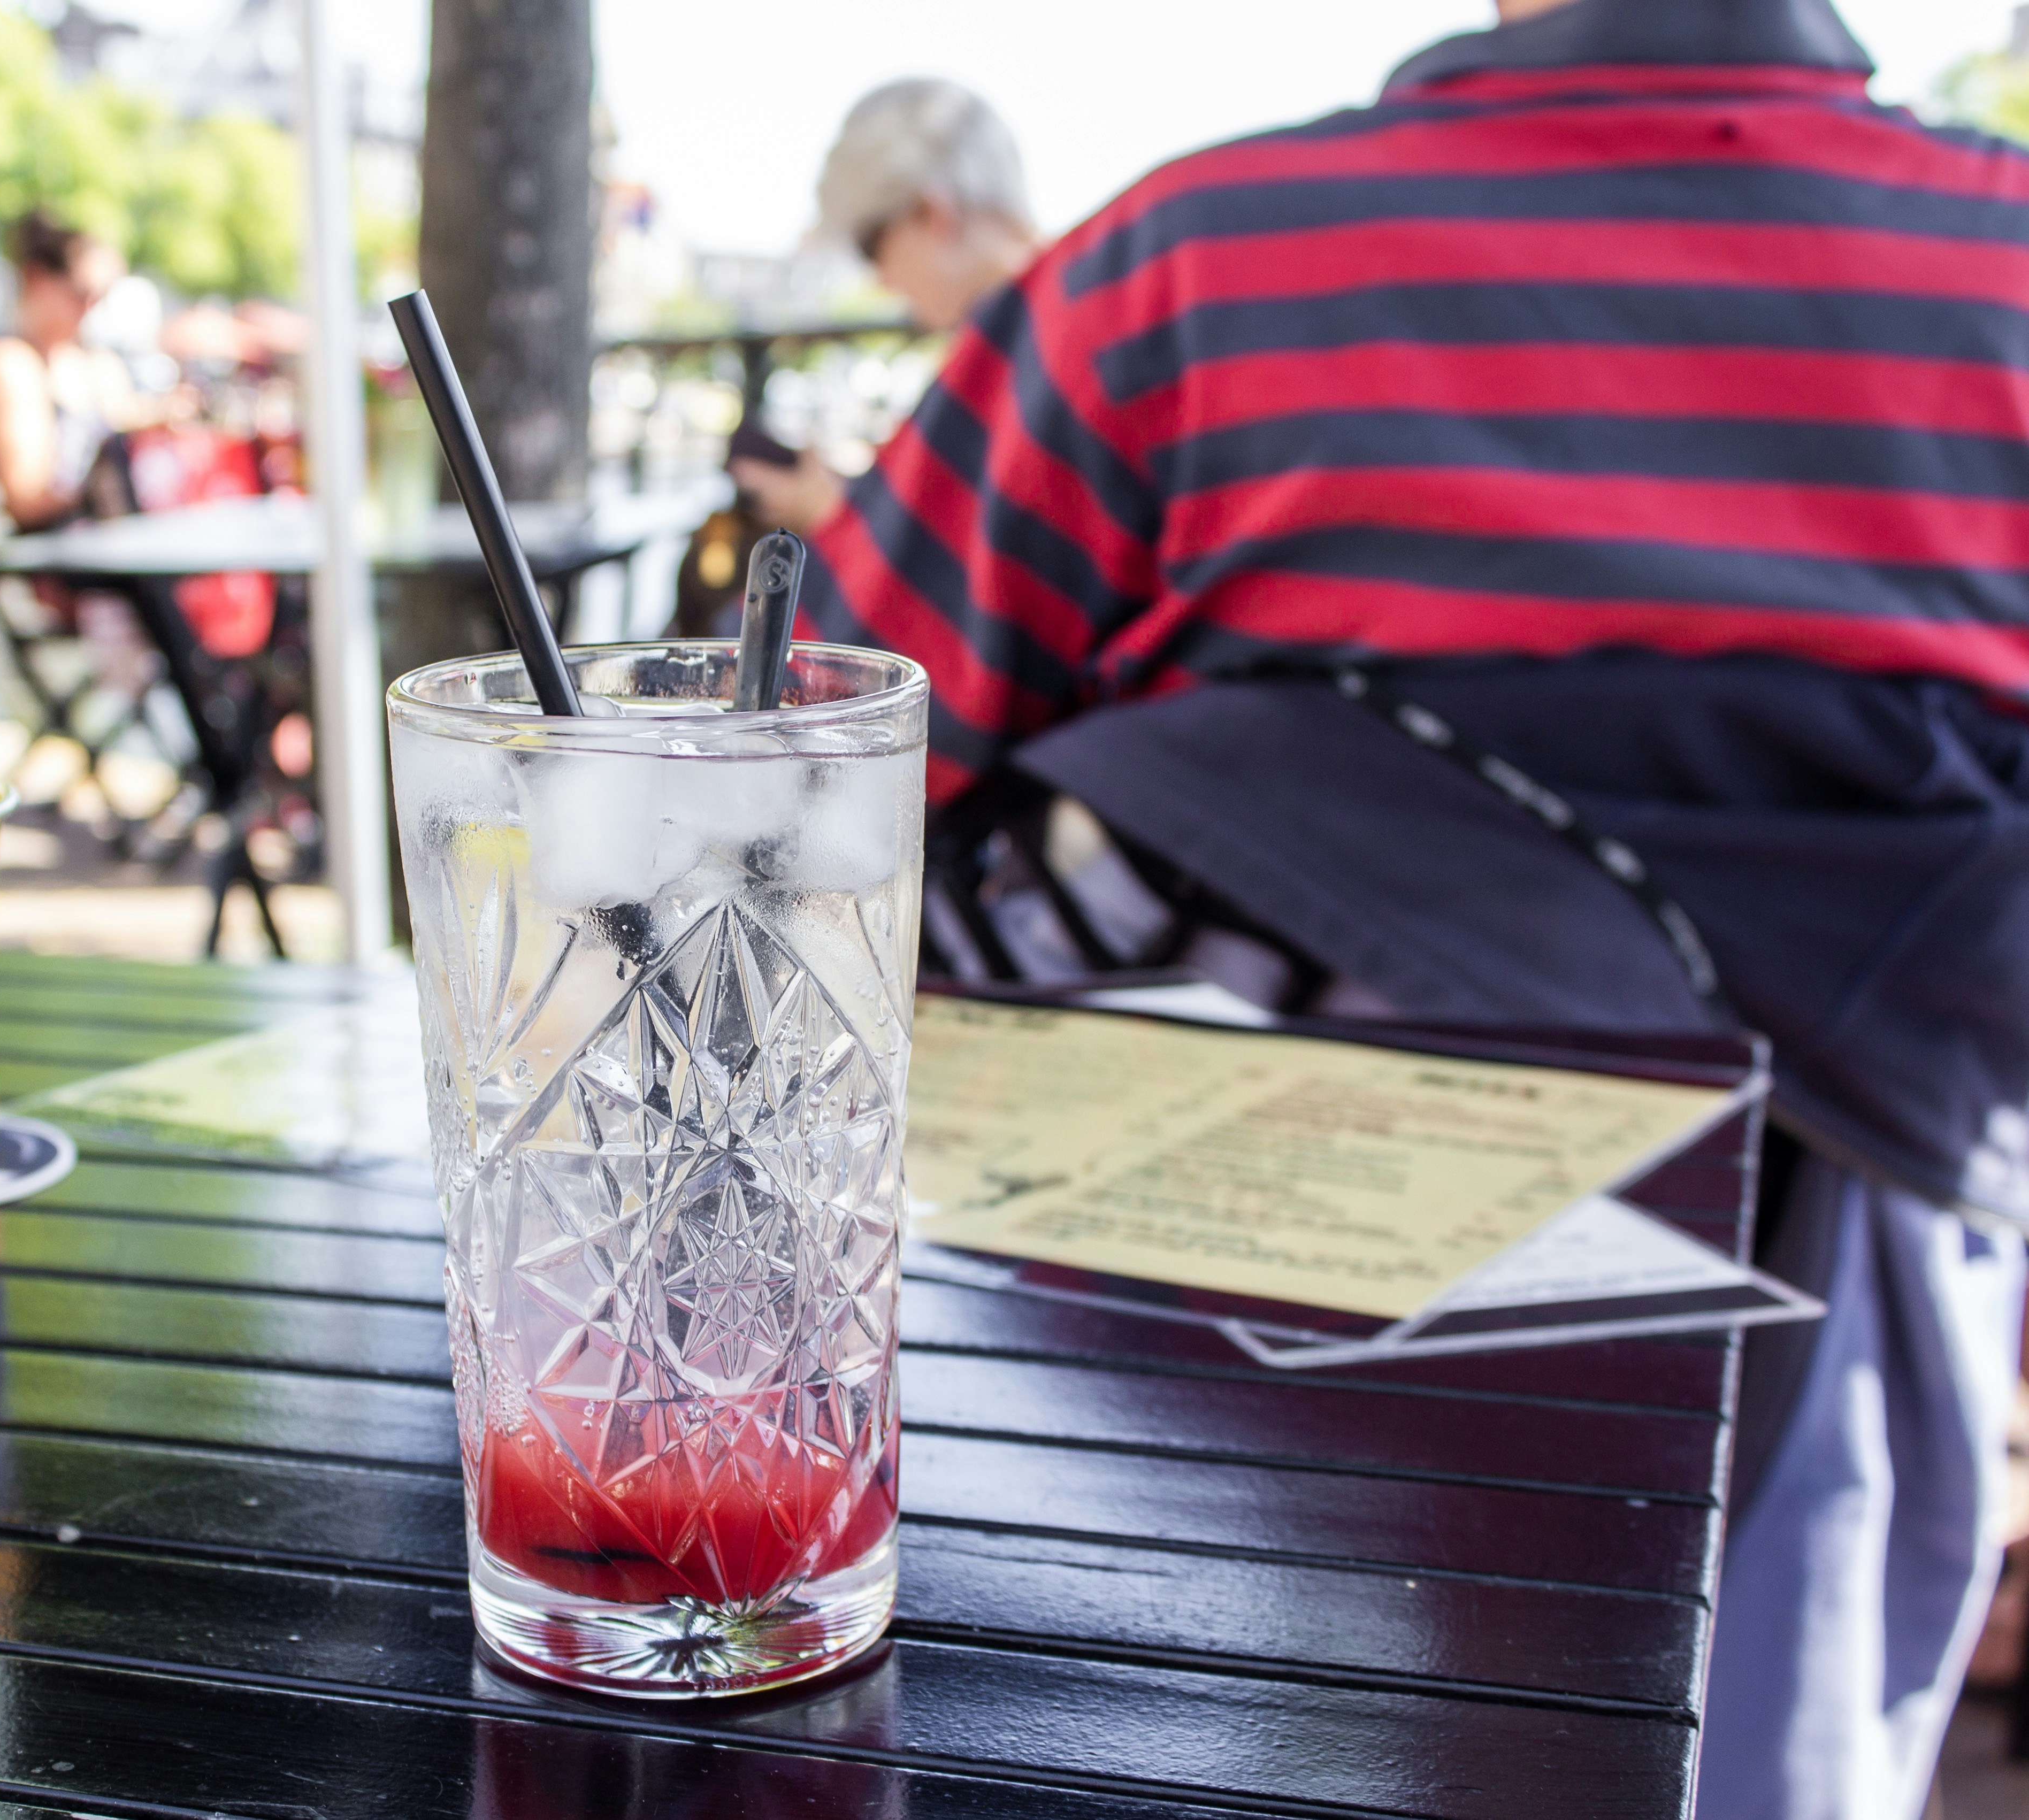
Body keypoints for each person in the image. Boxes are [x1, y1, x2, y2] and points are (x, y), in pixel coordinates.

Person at [790, 2, 2029, 1816]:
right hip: (1859, 1296)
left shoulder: (1191, 269)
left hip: (1189, 1357)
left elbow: (812, 738)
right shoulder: (2000, 258)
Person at [729, 80, 1041, 536]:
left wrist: (830, 519)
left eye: (870, 247)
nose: (879, 278)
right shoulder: (1043, 331)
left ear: (929, 214)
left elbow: (969, 578)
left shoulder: (1023, 360)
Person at [0, 210, 136, 531]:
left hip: (89, 547)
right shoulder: (11, 366)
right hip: (54, 560)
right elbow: (28, 500)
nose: (91, 308)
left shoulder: (87, 362)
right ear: (37, 279)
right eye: (82, 293)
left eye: (101, 297)